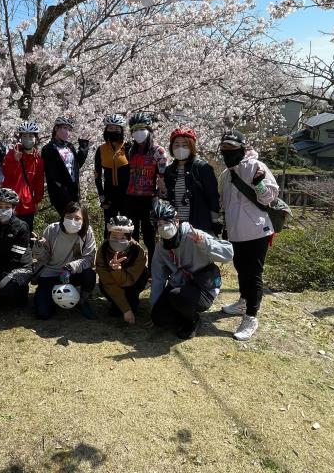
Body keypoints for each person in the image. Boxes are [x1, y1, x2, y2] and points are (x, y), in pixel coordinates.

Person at [216, 131, 280, 342]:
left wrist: (260, 183)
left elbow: (268, 197)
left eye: (232, 150)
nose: (228, 154)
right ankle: (243, 301)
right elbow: (223, 204)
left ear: (243, 149)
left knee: (253, 274)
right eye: (224, 150)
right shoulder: (225, 175)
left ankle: (251, 316)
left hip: (256, 231)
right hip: (235, 232)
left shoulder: (256, 166)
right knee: (241, 269)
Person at [149, 200, 234, 340]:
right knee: (159, 318)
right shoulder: (161, 247)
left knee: (176, 295)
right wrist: (153, 306)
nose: (163, 227)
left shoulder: (194, 235)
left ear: (176, 221)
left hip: (203, 286)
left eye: (166, 222)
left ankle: (193, 320)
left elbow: (228, 254)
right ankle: (182, 314)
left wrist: (204, 244)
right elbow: (158, 278)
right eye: (159, 224)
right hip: (180, 284)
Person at [32, 201, 97, 320]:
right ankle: (48, 294)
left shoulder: (87, 232)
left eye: (77, 218)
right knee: (43, 314)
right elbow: (43, 258)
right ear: (63, 217)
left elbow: (89, 258)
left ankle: (82, 301)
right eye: (69, 217)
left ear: (84, 220)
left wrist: (70, 267)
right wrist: (38, 246)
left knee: (90, 274)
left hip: (71, 273)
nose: (72, 221)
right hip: (50, 274)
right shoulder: (52, 229)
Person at [122, 112, 168, 263]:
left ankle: (152, 268)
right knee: (132, 234)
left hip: (149, 198)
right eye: (134, 129)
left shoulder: (158, 151)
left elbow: (162, 176)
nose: (138, 132)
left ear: (149, 129)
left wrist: (161, 193)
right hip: (131, 198)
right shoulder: (130, 151)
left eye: (141, 128)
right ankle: (135, 264)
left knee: (149, 236)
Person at [0, 188, 33, 311]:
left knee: (8, 292)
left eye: (7, 207)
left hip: (19, 267)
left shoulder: (22, 227)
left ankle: (20, 290)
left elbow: (15, 258)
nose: (3, 209)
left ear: (13, 209)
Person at [164, 127, 222, 234]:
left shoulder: (202, 168)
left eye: (185, 145)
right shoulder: (169, 171)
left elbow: (213, 196)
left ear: (192, 146)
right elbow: (169, 197)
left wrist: (214, 221)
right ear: (171, 147)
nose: (180, 148)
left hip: (199, 226)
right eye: (176, 144)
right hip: (176, 226)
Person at [96, 216, 148, 325]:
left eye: (123, 237)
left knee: (134, 289)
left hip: (132, 283)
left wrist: (117, 271)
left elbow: (129, 280)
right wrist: (126, 309)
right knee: (102, 284)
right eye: (114, 236)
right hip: (112, 284)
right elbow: (108, 282)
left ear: (129, 237)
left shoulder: (138, 251)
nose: (118, 241)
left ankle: (130, 303)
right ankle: (119, 304)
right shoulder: (102, 251)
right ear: (108, 235)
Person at [41, 116, 90, 219]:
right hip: (59, 190)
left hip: (74, 189)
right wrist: (61, 188)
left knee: (76, 217)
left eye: (69, 129)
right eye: (64, 128)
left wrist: (84, 147)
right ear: (56, 129)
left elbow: (77, 165)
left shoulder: (70, 146)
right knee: (67, 217)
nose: (67, 132)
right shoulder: (48, 149)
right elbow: (51, 173)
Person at [2, 120, 45, 232]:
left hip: (28, 204)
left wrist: (37, 201)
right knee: (8, 234)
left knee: (25, 234)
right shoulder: (12, 153)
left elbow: (39, 183)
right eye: (24, 136)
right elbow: (7, 175)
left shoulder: (38, 160)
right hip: (9, 203)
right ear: (20, 138)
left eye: (31, 135)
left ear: (36, 138)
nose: (28, 138)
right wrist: (15, 161)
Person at [94, 113, 130, 233]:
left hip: (126, 193)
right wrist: (102, 196)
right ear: (106, 129)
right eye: (110, 128)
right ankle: (106, 251)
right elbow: (97, 175)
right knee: (109, 227)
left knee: (128, 227)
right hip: (109, 194)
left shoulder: (128, 147)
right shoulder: (101, 149)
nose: (113, 131)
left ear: (121, 130)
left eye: (116, 128)